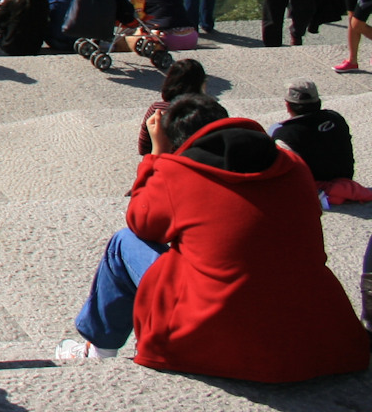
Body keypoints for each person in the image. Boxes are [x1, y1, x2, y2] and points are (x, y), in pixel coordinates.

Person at [56, 94, 369, 381]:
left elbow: (141, 222)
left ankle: (98, 352)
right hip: (314, 338)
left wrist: (156, 156)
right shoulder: (295, 166)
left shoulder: (178, 172)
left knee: (123, 243)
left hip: (219, 340)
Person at [271, 80, 371, 205]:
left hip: (314, 185)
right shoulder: (335, 118)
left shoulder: (284, 134)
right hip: (344, 177)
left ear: (287, 105)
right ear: (318, 102)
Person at [136, 58, 206, 156]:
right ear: (201, 83)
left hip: (161, 164)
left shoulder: (157, 109)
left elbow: (143, 149)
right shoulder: (206, 113)